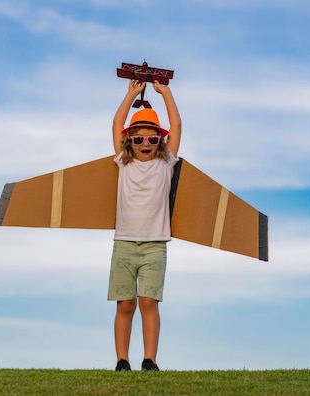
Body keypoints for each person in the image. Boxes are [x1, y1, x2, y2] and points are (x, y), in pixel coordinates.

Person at [108, 79, 182, 372]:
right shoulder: (123, 163)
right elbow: (117, 123)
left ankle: (149, 360)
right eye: (138, 139)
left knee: (149, 302)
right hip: (124, 243)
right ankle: (121, 360)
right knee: (125, 304)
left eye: (152, 139)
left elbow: (175, 124)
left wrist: (165, 93)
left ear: (160, 142)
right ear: (130, 142)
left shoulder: (166, 164)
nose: (146, 143)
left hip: (155, 244)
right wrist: (131, 94)